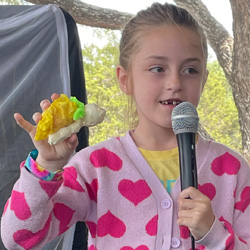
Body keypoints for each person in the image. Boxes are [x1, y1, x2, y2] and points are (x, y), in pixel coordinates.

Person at [1, 2, 250, 250]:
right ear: (125, 79)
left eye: (190, 70)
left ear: (204, 80)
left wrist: (215, 234)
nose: (175, 82)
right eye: (157, 68)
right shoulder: (96, 167)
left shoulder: (232, 169)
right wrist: (46, 166)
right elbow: (19, 239)